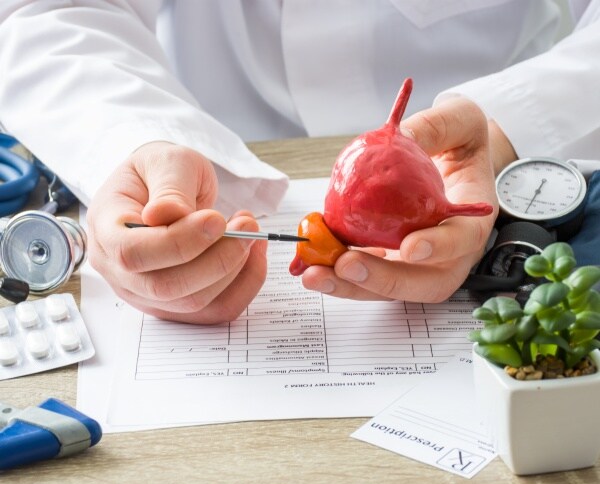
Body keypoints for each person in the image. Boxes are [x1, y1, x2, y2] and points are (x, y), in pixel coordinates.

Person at [0, 1, 599, 324]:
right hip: (208, 145)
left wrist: (504, 126)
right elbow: (47, 11)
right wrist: (130, 142)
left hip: (511, 157)